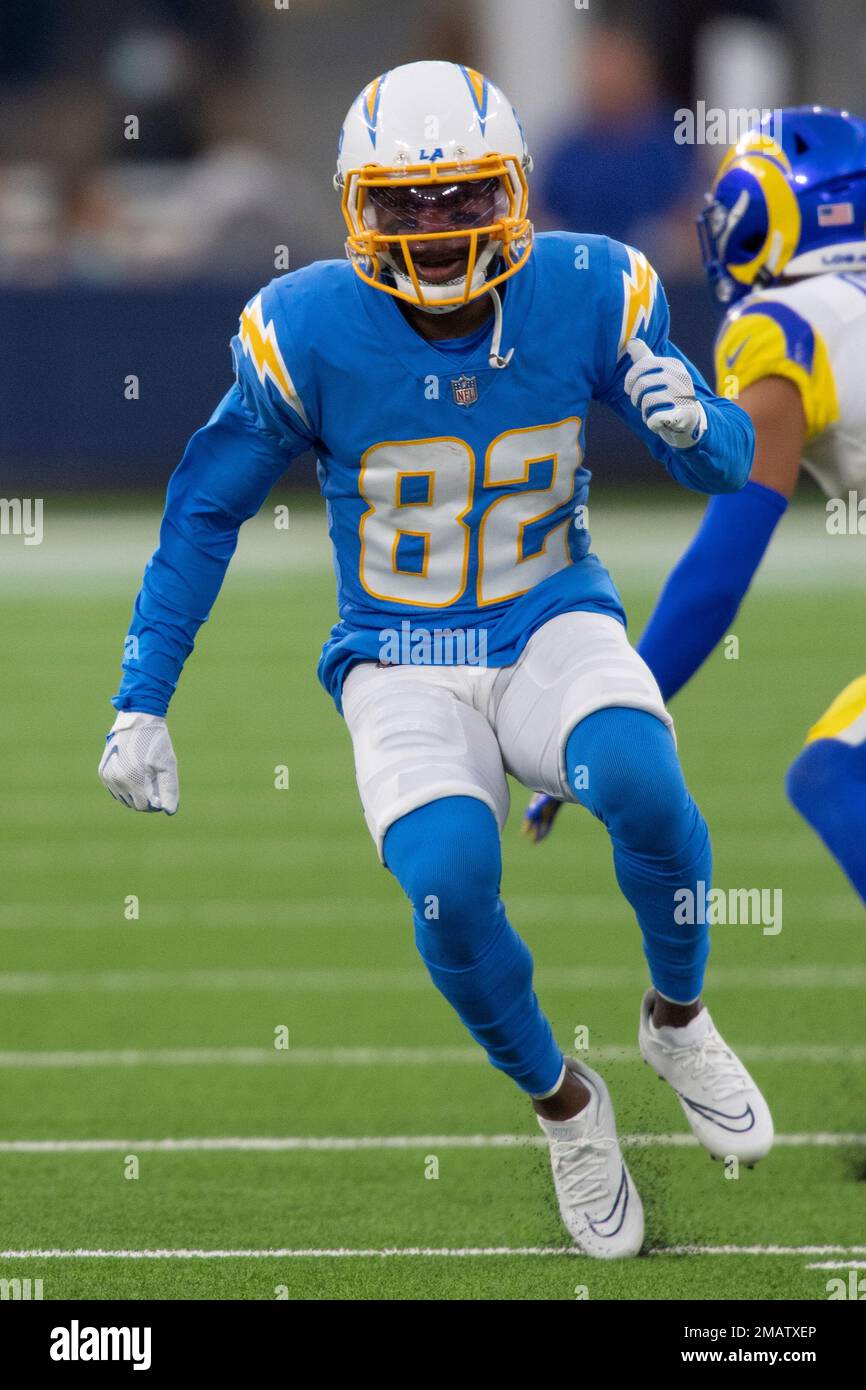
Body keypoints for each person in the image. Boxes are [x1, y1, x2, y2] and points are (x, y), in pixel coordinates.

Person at [98, 61, 770, 1258]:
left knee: (640, 778)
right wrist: (140, 695)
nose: (434, 226)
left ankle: (676, 1015)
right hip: (396, 653)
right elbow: (204, 510)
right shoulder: (303, 327)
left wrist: (702, 427)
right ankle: (566, 1107)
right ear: (356, 205)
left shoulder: (588, 287)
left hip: (548, 614)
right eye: (402, 202)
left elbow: (724, 465)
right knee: (450, 883)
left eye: (458, 196)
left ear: (509, 191)